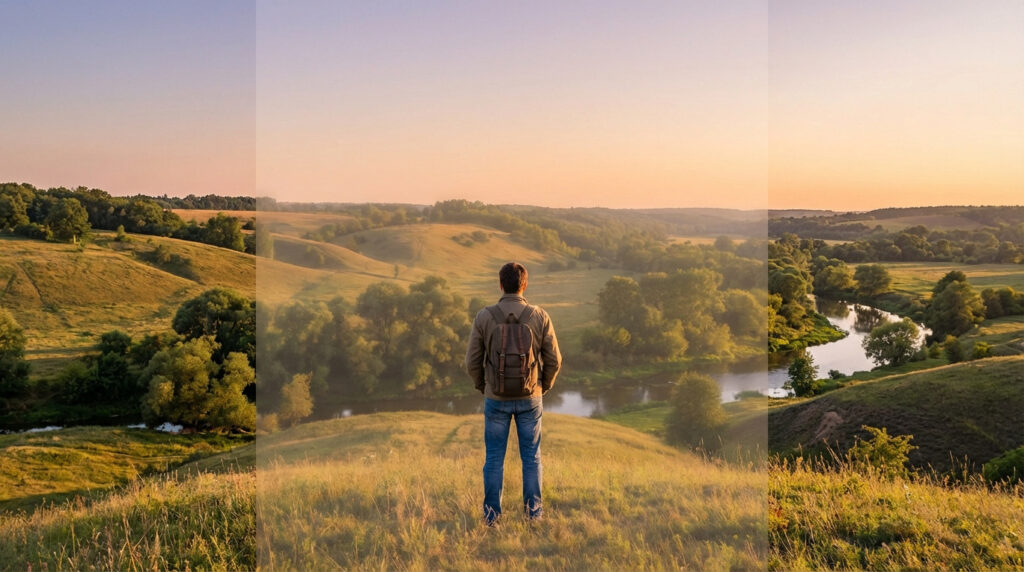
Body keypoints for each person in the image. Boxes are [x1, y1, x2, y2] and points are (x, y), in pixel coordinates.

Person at [465, 261, 562, 526]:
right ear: (524, 284)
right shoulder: (539, 315)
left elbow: (472, 361)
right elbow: (554, 360)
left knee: (494, 459)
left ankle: (492, 518)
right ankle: (534, 516)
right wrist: (544, 386)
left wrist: (484, 387)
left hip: (495, 399)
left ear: (500, 284)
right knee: (531, 458)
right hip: (531, 398)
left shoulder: (485, 316)